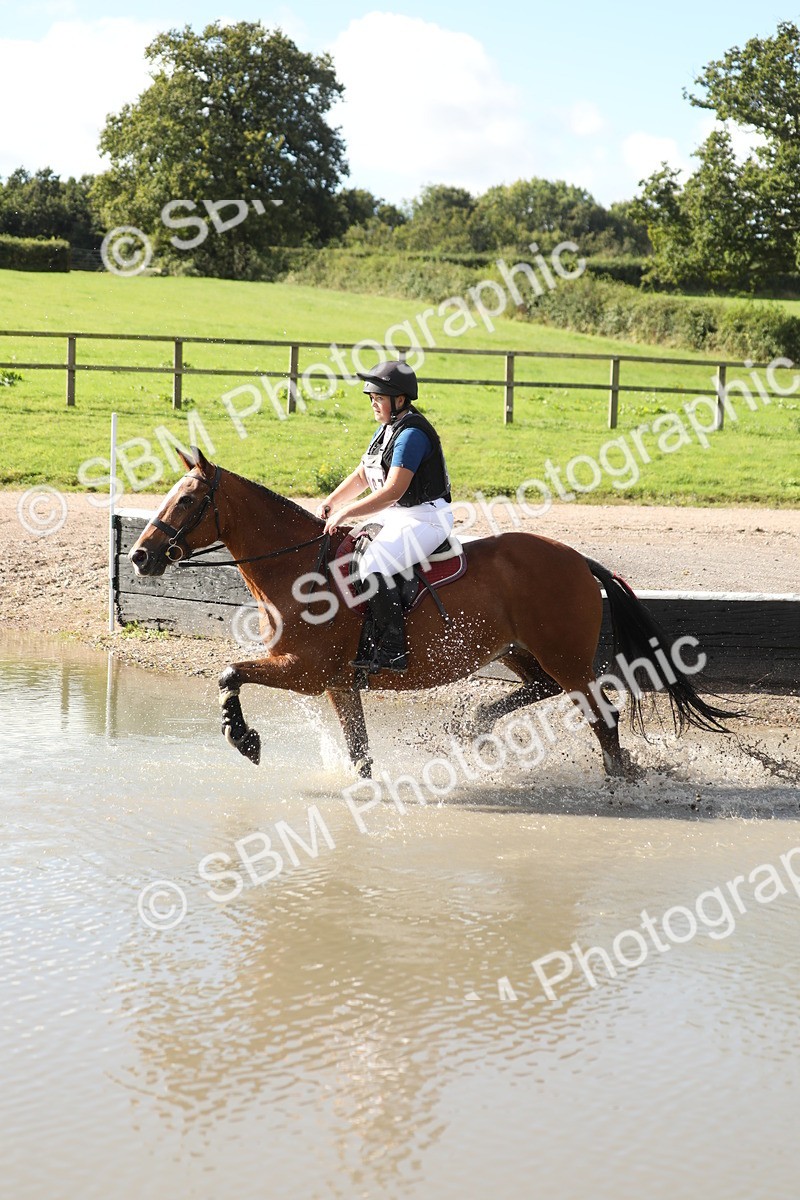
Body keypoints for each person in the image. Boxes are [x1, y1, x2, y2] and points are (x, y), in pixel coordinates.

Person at [316, 359, 454, 674]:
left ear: (400, 400)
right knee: (348, 551)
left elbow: (393, 491)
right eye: (372, 398)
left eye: (379, 398)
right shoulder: (386, 430)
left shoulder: (411, 435)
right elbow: (364, 476)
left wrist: (348, 511)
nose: (374, 404)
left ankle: (393, 649)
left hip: (425, 518)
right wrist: (333, 501)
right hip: (399, 515)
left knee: (372, 564)